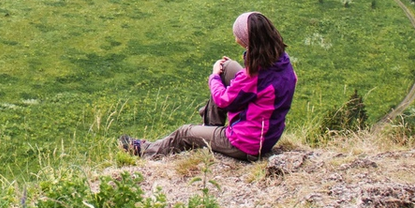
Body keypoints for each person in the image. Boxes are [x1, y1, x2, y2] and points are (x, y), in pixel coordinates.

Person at [120, 11, 296, 161]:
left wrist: (214, 77)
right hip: (266, 135)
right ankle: (209, 129)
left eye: (240, 37)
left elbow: (224, 101)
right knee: (227, 68)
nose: (236, 39)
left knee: (184, 133)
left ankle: (145, 150)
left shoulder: (253, 76)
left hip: (246, 143)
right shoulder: (281, 61)